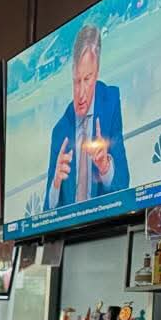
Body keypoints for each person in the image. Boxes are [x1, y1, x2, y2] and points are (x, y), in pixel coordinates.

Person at [44, 22, 129, 211]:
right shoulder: (60, 131)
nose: (81, 93)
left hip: (106, 229)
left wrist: (105, 167)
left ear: (97, 74)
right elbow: (45, 212)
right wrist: (56, 183)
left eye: (87, 79)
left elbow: (124, 185)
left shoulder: (110, 103)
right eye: (76, 81)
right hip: (68, 235)